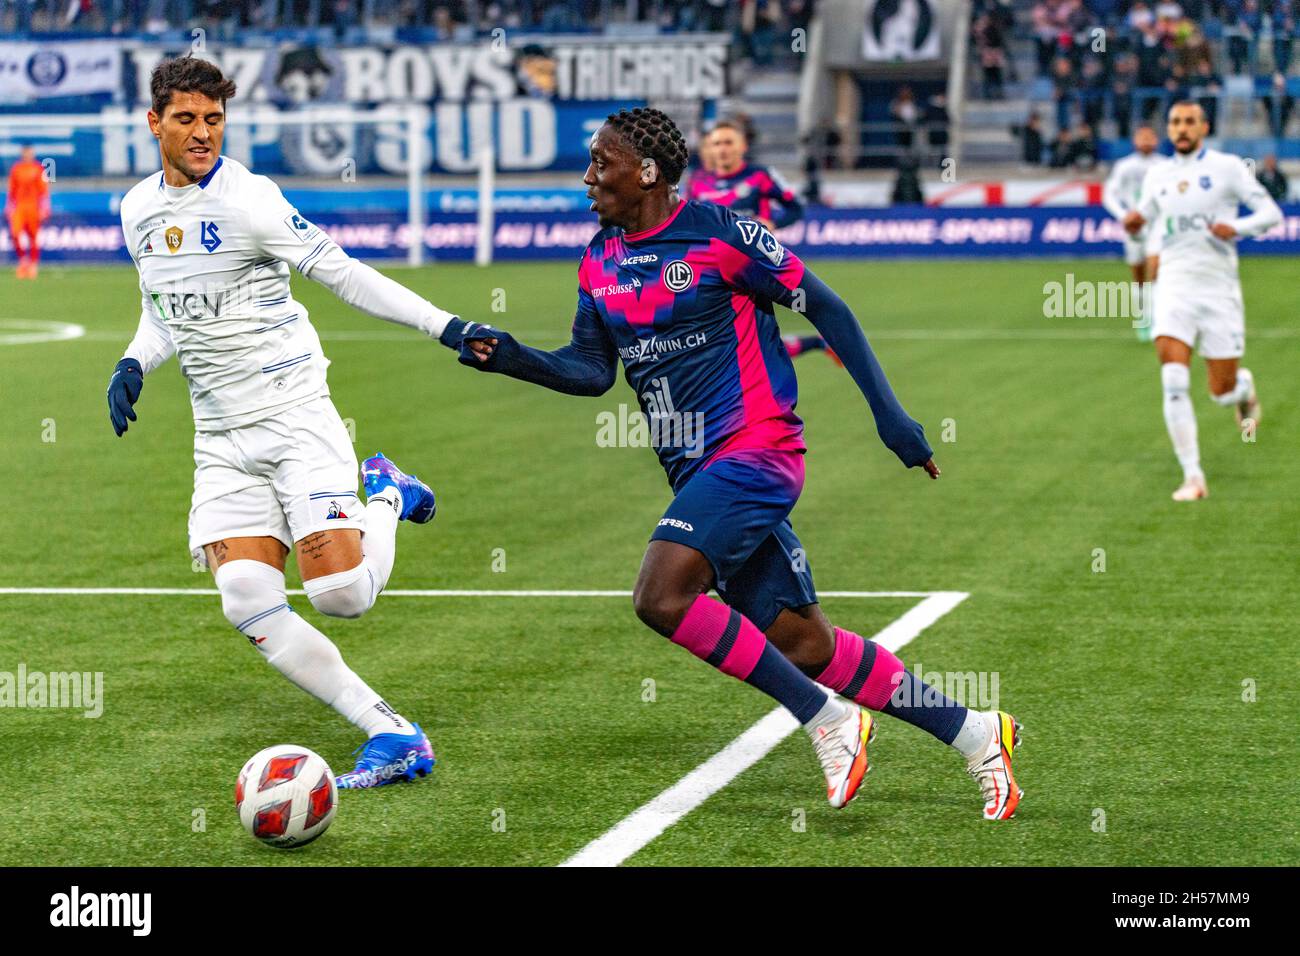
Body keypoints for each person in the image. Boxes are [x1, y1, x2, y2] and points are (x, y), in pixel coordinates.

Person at [440, 108, 1024, 820]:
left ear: (647, 173)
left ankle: (825, 719)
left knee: (660, 596)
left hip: (758, 448)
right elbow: (592, 371)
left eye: (602, 163)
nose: (589, 177)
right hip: (698, 474)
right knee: (805, 643)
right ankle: (976, 734)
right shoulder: (599, 258)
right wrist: (513, 359)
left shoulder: (723, 235)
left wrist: (890, 417)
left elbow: (828, 307)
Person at [105, 56, 455, 790]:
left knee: (342, 597)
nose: (203, 133)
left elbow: (343, 272)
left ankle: (386, 493)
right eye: (186, 119)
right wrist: (135, 361)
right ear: (153, 123)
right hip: (221, 437)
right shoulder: (136, 209)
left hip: (293, 414)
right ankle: (392, 732)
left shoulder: (251, 200)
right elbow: (164, 308)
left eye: (214, 119)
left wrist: (442, 324)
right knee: (245, 597)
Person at [1124, 101, 1281, 501]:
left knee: (1220, 391)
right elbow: (1144, 226)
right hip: (1174, 284)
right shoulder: (1157, 175)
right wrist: (1135, 227)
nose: (1181, 128)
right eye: (1175, 122)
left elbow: (1271, 213)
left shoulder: (1227, 168)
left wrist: (1237, 227)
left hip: (1218, 289)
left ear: (1203, 127)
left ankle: (1243, 391)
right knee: (1173, 379)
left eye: (1189, 122)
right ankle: (1193, 477)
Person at [684, 119, 827, 361]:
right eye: (717, 143)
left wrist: (774, 223)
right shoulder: (698, 182)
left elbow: (795, 207)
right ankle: (815, 343)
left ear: (743, 146)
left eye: (728, 142)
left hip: (756, 267)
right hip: (712, 271)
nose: (722, 149)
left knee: (746, 344)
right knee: (743, 345)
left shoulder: (760, 175)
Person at [1102, 126, 1164, 341]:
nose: (1146, 141)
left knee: (1156, 272)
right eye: (1142, 137)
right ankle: (1142, 319)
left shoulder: (1164, 165)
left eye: (1150, 137)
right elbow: (1108, 194)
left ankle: (1157, 319)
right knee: (1138, 275)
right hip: (1134, 228)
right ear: (1135, 141)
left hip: (1157, 227)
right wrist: (1124, 216)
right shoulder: (1125, 166)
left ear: (1156, 140)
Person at [5, 144, 49, 279]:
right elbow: (11, 190)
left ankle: (33, 265)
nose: (27, 155)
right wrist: (9, 206)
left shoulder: (38, 168)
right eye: (25, 153)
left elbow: (44, 191)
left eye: (29, 153)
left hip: (33, 207)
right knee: (15, 234)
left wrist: (45, 208)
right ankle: (23, 261)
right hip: (19, 207)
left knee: (33, 237)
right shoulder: (16, 169)